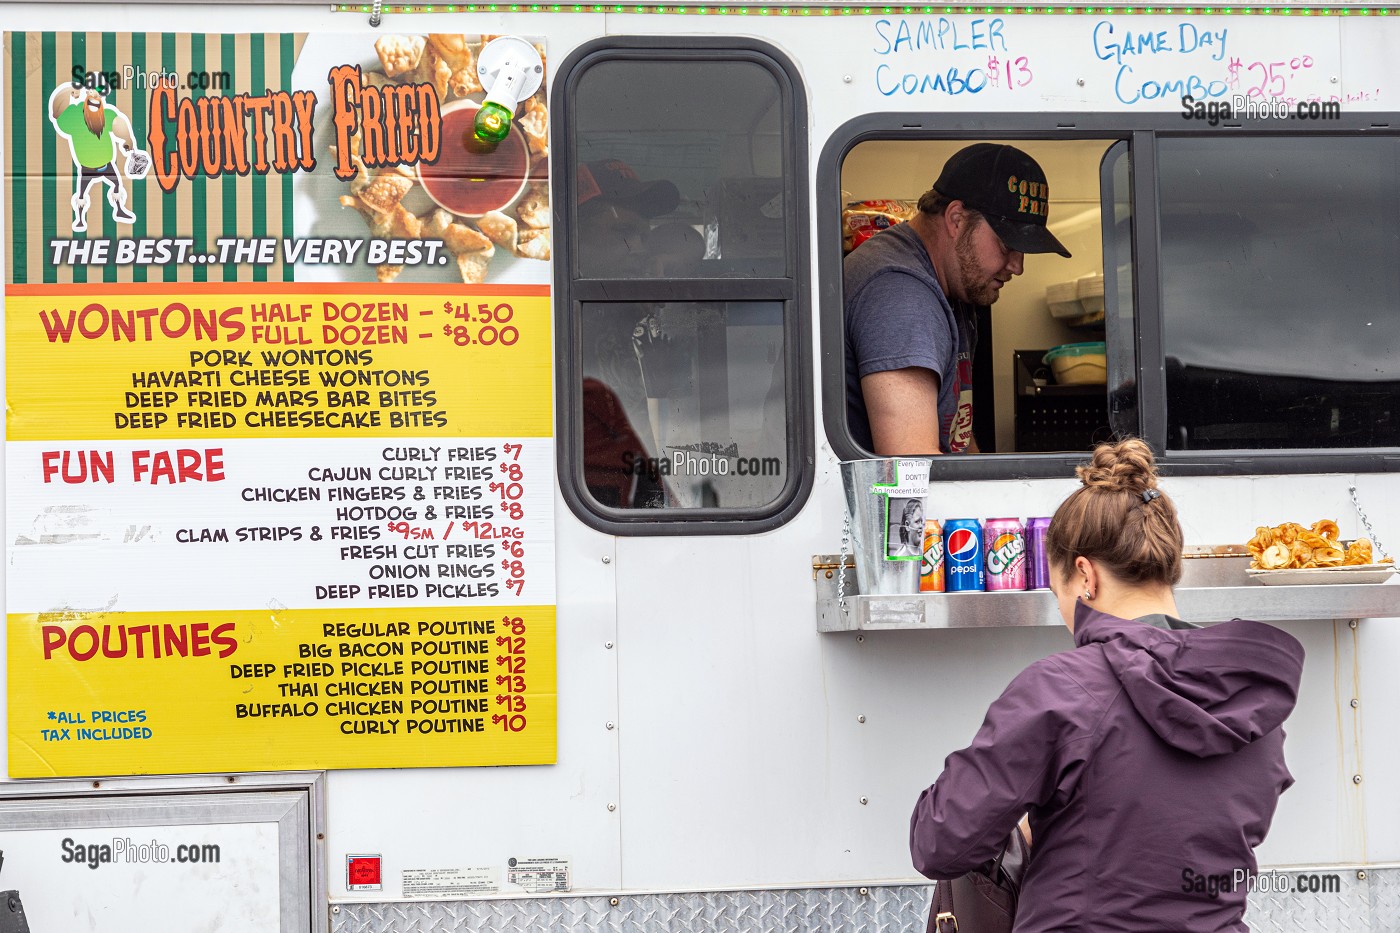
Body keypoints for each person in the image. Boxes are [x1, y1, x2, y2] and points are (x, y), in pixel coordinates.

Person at [909, 438, 1304, 932]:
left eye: (1059, 595)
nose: (1064, 615)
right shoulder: (1252, 697)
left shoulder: (1058, 689)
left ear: (1084, 576)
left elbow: (940, 843)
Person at [844, 143, 1071, 456]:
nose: (1018, 266)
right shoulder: (901, 296)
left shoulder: (951, 286)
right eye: (1007, 245)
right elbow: (911, 466)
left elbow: (955, 439)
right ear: (956, 219)